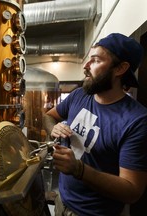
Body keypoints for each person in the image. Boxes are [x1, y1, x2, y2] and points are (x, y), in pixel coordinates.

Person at [44, 33, 147, 216]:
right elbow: (49, 116)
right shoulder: (80, 95)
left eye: (96, 60)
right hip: (62, 200)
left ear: (120, 69)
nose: (86, 66)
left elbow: (132, 191)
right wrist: (54, 128)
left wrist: (78, 169)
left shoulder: (136, 121)